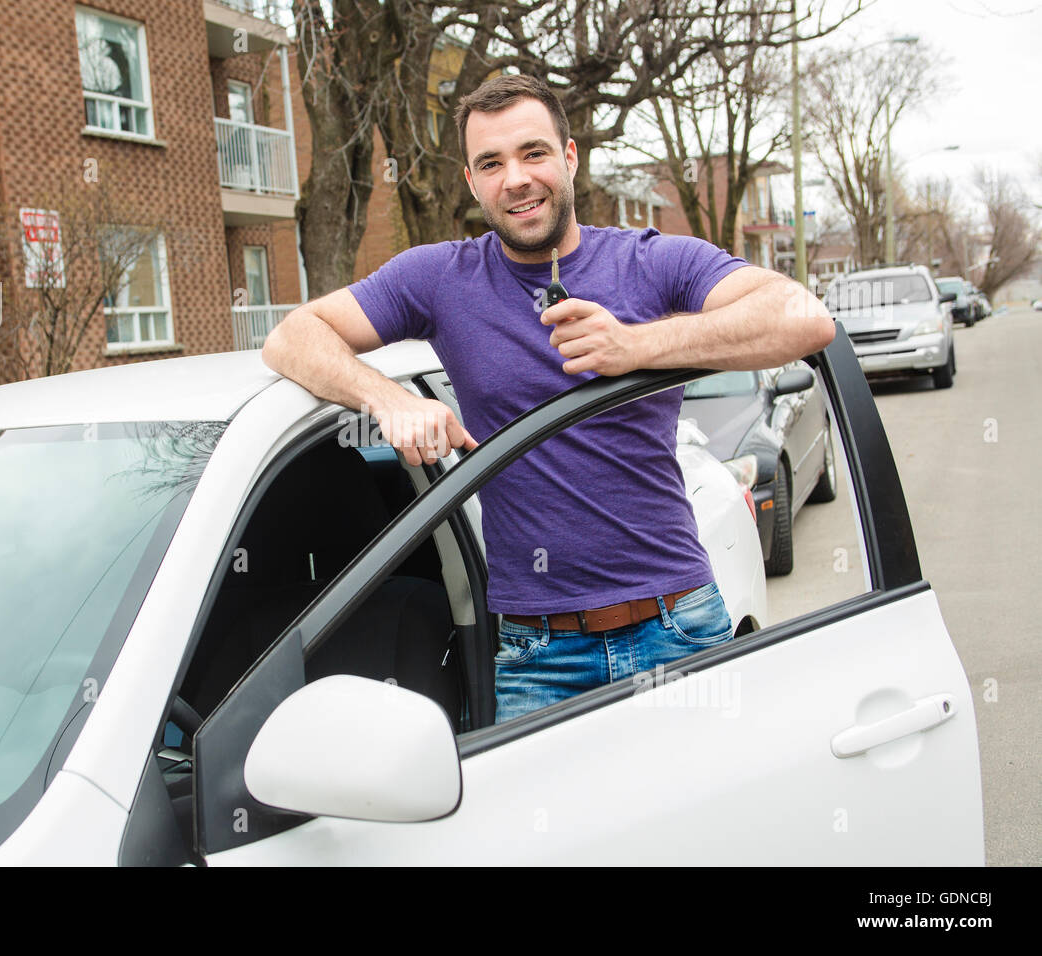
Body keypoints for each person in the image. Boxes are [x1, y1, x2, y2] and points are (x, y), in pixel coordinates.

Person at [262, 74, 835, 723]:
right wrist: (386, 398)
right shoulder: (442, 280)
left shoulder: (649, 264)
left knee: (707, 823)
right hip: (538, 655)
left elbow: (804, 317)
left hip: (677, 624)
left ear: (568, 157)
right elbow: (291, 336)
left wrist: (638, 345)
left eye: (533, 153)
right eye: (491, 164)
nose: (516, 179)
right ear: (473, 183)